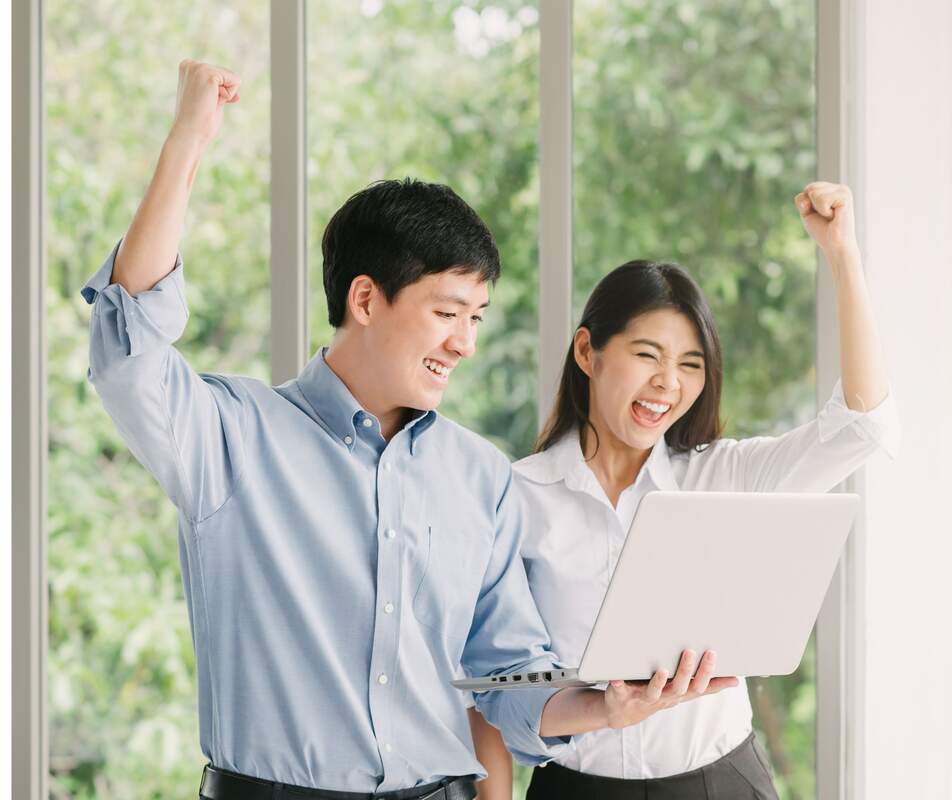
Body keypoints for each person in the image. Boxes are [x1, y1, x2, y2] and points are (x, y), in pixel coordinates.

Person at [83, 59, 736, 800]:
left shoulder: (480, 476)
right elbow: (129, 349)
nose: (466, 342)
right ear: (366, 299)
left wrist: (602, 706)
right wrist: (188, 141)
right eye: (447, 312)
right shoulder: (232, 439)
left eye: (477, 318)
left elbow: (505, 673)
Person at [467, 181, 900, 800]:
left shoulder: (724, 478)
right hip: (577, 788)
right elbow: (497, 686)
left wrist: (843, 256)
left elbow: (861, 428)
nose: (667, 383)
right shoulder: (516, 497)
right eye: (647, 355)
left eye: (691, 364)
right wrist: (600, 711)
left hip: (719, 781)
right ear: (587, 351)